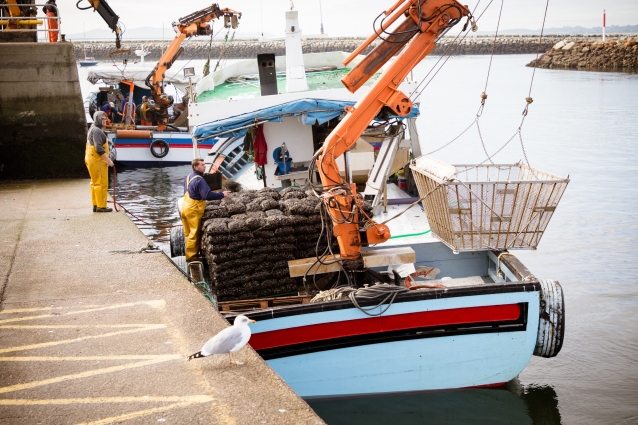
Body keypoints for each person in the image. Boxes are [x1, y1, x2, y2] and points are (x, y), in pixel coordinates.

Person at [181, 158, 231, 262]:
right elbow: (206, 195)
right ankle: (192, 258)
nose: (204, 166)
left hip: (185, 206)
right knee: (194, 234)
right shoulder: (199, 179)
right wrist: (222, 194)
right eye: (202, 165)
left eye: (204, 164)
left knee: (188, 233)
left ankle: (189, 254)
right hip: (193, 209)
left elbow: (188, 191)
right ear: (196, 167)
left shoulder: (189, 176)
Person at [85, 111, 114, 213]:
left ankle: (96, 204)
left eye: (106, 118)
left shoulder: (92, 129)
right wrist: (109, 161)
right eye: (102, 119)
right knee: (101, 183)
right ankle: (101, 206)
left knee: (94, 182)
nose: (105, 120)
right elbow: (98, 148)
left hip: (91, 158)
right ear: (97, 119)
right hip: (97, 161)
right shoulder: (97, 131)